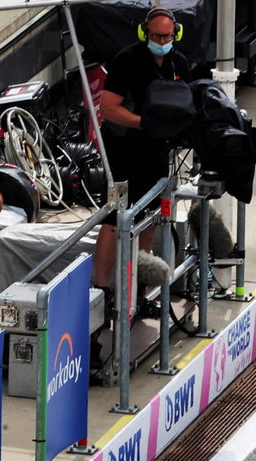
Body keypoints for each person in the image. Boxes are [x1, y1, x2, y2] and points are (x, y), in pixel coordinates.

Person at [92, 7, 191, 290]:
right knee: (114, 219)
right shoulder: (127, 60)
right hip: (122, 153)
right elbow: (108, 109)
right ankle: (102, 290)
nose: (162, 41)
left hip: (157, 153)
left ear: (176, 34)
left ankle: (139, 289)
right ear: (144, 33)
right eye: (156, 36)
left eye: (167, 36)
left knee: (148, 218)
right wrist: (145, 125)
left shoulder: (178, 63)